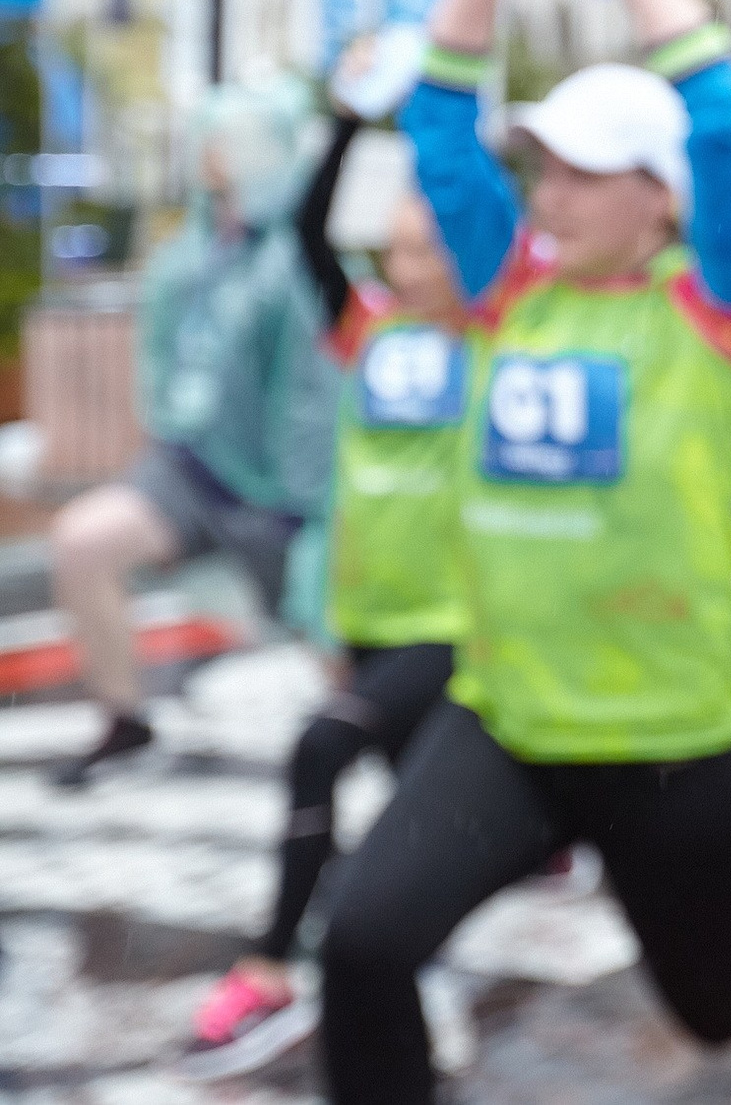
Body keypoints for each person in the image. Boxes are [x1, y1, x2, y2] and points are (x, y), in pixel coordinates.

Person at [315, 0, 731, 1105]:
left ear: (659, 198)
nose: (550, 191)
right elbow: (437, 121)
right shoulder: (505, 294)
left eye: (586, 169)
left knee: (718, 1008)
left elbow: (715, 118)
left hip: (670, 750)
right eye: (544, 165)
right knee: (364, 942)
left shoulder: (717, 311)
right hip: (508, 729)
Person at [180, 65, 475, 1079]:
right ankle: (401, 1000)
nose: (405, 260)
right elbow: (312, 232)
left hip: (454, 621)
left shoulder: (498, 339)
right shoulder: (370, 329)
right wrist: (350, 116)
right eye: (394, 247)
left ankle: (266, 963)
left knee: (319, 752)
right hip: (369, 616)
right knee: (411, 819)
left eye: (424, 247)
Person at [48, 80, 338, 788]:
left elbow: (312, 394)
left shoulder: (301, 258)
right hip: (192, 469)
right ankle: (124, 721)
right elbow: (162, 363)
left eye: (229, 138)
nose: (212, 154)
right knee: (83, 543)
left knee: (331, 636)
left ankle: (416, 764)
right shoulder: (189, 253)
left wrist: (305, 510)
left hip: (284, 489)